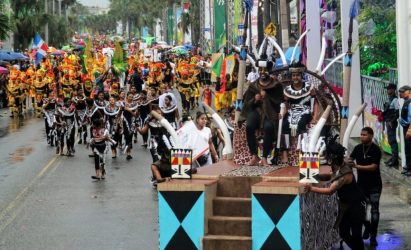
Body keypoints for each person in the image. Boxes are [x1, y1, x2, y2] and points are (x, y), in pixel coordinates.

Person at [305, 139, 366, 250]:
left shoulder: (345, 173)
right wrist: (315, 176)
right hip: (346, 206)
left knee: (356, 235)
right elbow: (331, 176)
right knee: (343, 232)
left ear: (334, 158)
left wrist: (311, 188)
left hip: (356, 206)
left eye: (328, 157)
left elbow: (330, 191)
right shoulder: (337, 167)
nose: (327, 160)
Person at [241, 62, 283, 166]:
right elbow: (247, 103)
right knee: (249, 126)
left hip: (270, 112)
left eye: (265, 70)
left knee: (269, 127)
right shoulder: (253, 85)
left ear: (269, 70)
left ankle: (264, 157)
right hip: (256, 111)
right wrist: (255, 100)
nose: (262, 72)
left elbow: (279, 100)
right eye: (260, 70)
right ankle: (254, 156)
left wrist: (267, 97)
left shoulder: (276, 85)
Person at [349, 127, 382, 247]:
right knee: (360, 211)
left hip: (374, 186)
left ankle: (373, 236)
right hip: (361, 186)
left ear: (371, 136)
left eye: (365, 135)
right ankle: (368, 227)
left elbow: (373, 167)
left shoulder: (376, 150)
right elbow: (350, 159)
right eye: (361, 134)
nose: (362, 136)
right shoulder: (358, 148)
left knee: (374, 211)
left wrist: (356, 167)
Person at [399, 85, 411, 176]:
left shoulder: (410, 102)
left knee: (409, 148)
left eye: (403, 91)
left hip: (409, 128)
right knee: (407, 148)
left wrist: (409, 131)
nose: (401, 93)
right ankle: (408, 166)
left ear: (409, 91)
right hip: (405, 127)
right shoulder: (406, 101)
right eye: (400, 92)